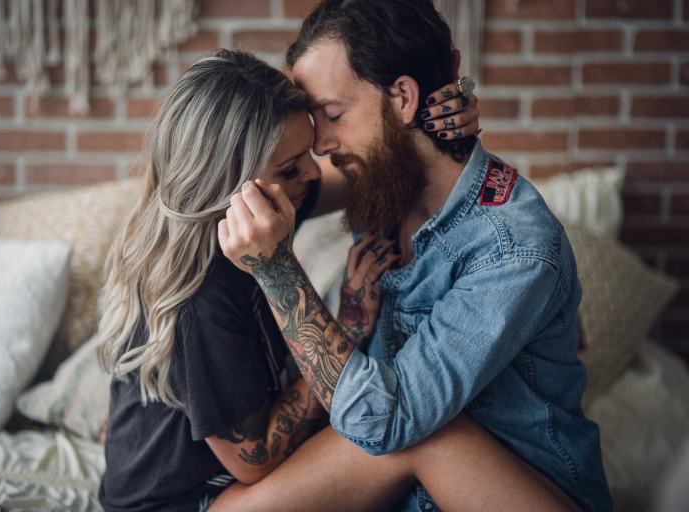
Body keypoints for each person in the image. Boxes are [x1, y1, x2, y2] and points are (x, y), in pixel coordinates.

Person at [95, 48, 579, 512]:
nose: (313, 171)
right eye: (291, 167)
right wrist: (348, 325)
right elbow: (254, 459)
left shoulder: (262, 203)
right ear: (227, 186)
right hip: (197, 502)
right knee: (418, 433)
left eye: (308, 151)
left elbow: (368, 172)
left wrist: (429, 130)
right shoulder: (204, 293)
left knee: (418, 424)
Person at [217, 1, 613, 512]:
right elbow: (266, 190)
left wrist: (275, 270)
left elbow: (385, 421)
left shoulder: (513, 246)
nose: (320, 145)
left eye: (332, 114)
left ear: (403, 97)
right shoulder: (382, 182)